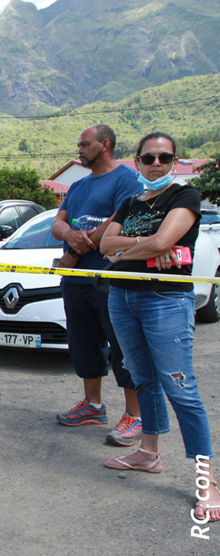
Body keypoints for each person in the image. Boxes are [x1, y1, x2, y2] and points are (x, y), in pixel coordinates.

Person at [100, 131, 220, 522]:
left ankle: (207, 481)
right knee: (143, 378)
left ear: (174, 162)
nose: (155, 164)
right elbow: (104, 245)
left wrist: (128, 251)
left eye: (164, 158)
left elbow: (161, 241)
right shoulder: (130, 200)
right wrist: (144, 244)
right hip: (122, 297)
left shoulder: (184, 196)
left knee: (180, 387)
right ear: (136, 162)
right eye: (148, 158)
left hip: (164, 299)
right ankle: (149, 454)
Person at [50, 124, 145, 446]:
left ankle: (135, 415)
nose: (79, 150)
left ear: (105, 145)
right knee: (83, 343)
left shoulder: (126, 180)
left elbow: (119, 221)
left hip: (109, 279)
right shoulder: (77, 186)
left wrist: (77, 247)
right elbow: (57, 223)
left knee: (122, 347)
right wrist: (69, 235)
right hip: (76, 281)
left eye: (84, 144)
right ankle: (93, 406)